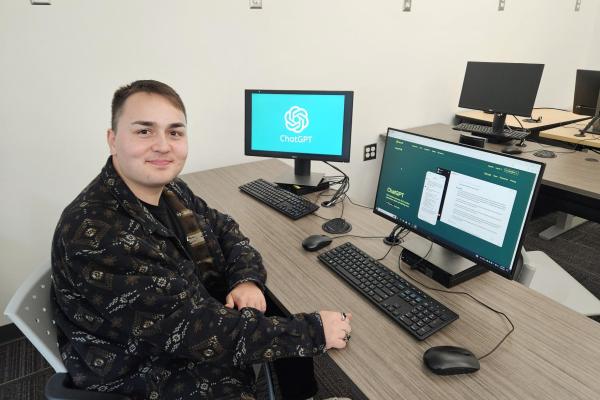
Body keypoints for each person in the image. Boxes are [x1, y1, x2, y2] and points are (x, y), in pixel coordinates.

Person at [50, 80, 353, 400]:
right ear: (113, 140)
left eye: (175, 132)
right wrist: (315, 331)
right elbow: (200, 332)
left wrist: (247, 280)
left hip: (181, 327)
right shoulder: (98, 234)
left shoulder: (169, 190)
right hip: (146, 368)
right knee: (288, 324)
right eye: (144, 131)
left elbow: (224, 230)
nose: (163, 145)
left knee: (273, 305)